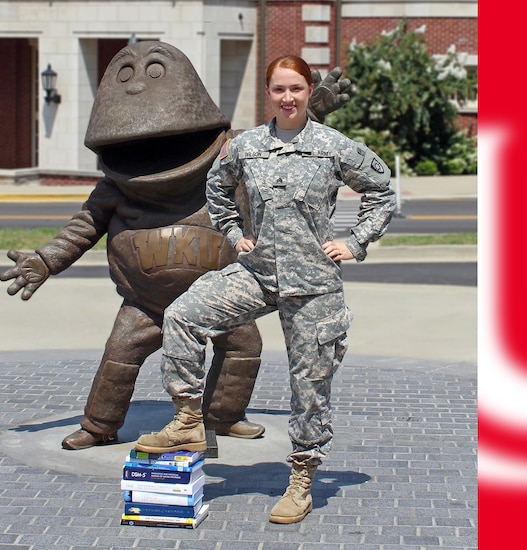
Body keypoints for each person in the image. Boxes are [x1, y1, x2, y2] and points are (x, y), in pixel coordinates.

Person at [134, 55, 396, 524]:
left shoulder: (334, 147)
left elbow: (382, 190)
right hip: (257, 273)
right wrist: (234, 234)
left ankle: (301, 481)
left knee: (309, 387)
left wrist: (355, 242)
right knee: (183, 316)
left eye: (296, 88)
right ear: (268, 93)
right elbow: (216, 188)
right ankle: (189, 421)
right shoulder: (246, 146)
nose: (288, 98)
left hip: (313, 284)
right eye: (279, 89)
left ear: (309, 91)